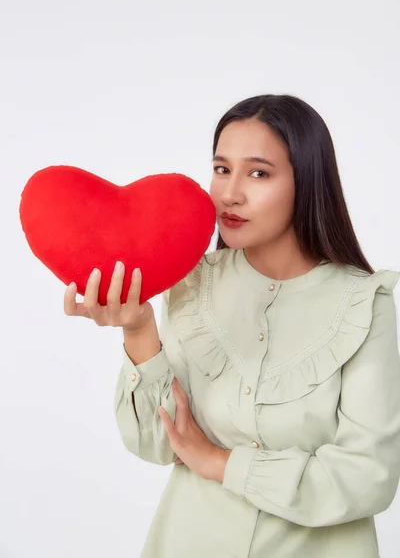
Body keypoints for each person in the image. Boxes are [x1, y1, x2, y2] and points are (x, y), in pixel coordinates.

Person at [64, 94, 400, 558]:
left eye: (258, 172)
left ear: (307, 182)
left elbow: (369, 477)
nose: (229, 193)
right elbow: (158, 444)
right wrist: (140, 330)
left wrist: (221, 462)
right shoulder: (191, 283)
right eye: (221, 169)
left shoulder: (365, 303)